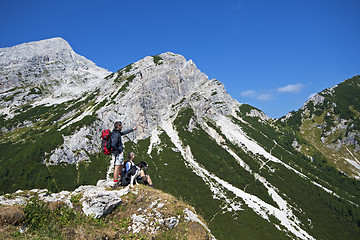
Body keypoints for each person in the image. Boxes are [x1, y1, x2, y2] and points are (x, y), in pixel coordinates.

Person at [111, 121, 137, 186]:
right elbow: (113, 144)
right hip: (118, 153)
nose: (122, 127)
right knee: (117, 167)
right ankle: (115, 182)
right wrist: (118, 151)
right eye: (121, 126)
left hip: (119, 152)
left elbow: (123, 133)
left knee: (121, 164)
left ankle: (121, 178)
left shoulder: (117, 133)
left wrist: (132, 129)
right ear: (118, 126)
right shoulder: (116, 134)